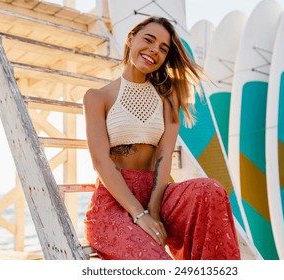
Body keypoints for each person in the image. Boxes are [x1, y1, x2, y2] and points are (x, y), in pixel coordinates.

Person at [83, 16, 240, 260]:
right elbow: (101, 161)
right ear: (131, 38)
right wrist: (138, 214)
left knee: (210, 189)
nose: (154, 50)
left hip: (159, 195)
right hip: (115, 202)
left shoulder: (168, 98)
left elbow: (164, 158)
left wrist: (153, 211)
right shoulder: (97, 97)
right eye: (149, 39)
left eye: (163, 48)